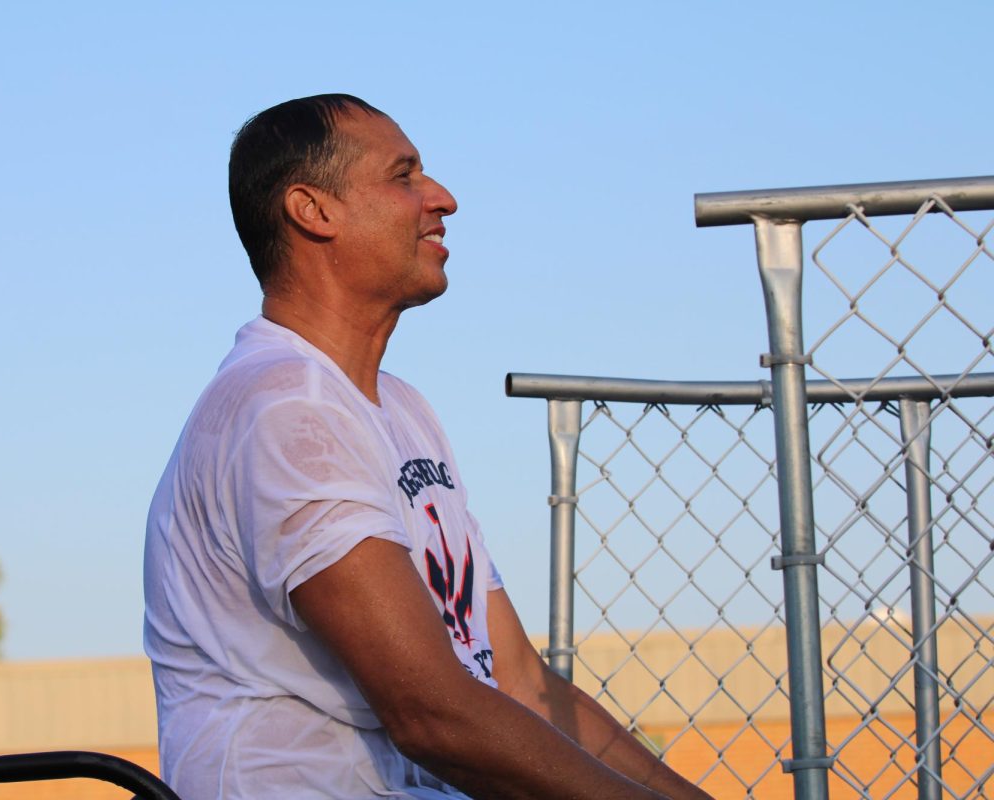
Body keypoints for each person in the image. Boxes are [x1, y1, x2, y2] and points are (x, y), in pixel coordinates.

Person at [143, 94, 712, 800]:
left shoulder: (400, 408)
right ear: (312, 210)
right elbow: (431, 714)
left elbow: (522, 685)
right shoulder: (286, 409)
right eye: (403, 176)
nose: (441, 199)